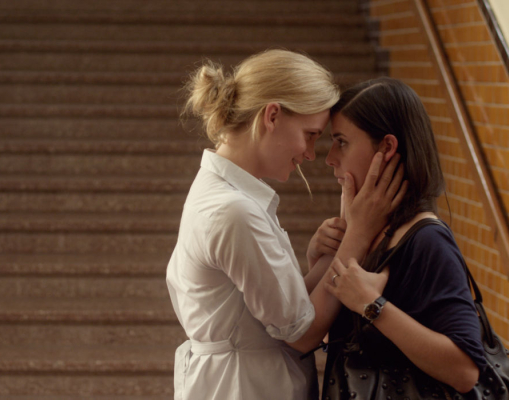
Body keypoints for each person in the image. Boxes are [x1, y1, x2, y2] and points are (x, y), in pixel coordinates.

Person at [166, 49, 405, 400]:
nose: (311, 153)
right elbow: (302, 333)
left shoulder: (226, 191)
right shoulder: (235, 211)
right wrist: (358, 232)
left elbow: (266, 316)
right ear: (273, 116)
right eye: (310, 134)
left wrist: (324, 260)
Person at [310, 77, 487, 397]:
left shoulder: (427, 241)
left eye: (342, 141)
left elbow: (465, 371)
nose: (330, 157)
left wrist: (373, 306)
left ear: (387, 147)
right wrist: (321, 260)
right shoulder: (370, 234)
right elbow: (330, 339)